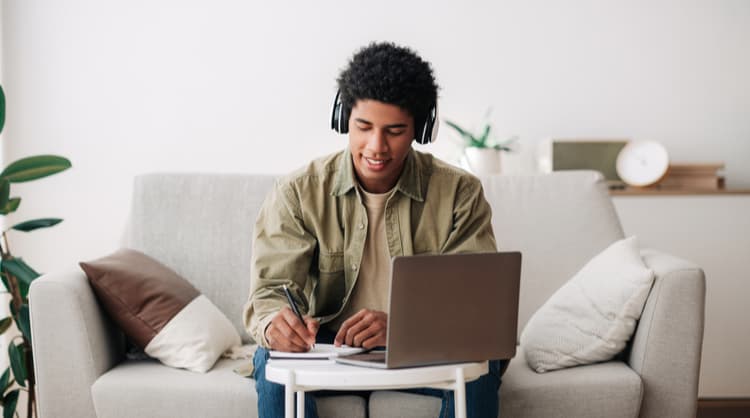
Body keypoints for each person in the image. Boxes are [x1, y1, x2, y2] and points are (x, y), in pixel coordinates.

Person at [243, 42, 507, 418]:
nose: (376, 147)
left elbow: (477, 307)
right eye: (363, 127)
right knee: (272, 361)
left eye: (395, 131)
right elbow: (269, 293)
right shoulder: (298, 192)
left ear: (421, 128)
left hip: (422, 348)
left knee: (483, 364)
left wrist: (403, 329)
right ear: (343, 119)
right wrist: (275, 326)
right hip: (328, 348)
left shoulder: (459, 193)